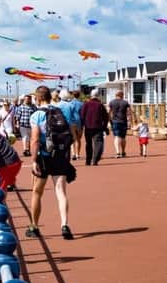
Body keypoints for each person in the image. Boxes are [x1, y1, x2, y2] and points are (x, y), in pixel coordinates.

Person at [27, 85, 75, 240]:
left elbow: (34, 139)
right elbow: (71, 133)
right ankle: (64, 225)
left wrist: (33, 160)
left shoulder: (37, 115)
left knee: (37, 192)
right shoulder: (59, 111)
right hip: (60, 156)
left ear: (38, 98)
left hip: (43, 156)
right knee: (61, 192)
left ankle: (34, 226)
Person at [80, 89, 109, 166]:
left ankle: (88, 160)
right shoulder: (100, 105)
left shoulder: (86, 104)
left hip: (88, 127)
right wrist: (105, 127)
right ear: (98, 96)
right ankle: (95, 159)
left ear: (91, 95)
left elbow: (82, 116)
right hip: (98, 127)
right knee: (98, 143)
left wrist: (82, 125)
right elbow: (105, 117)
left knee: (88, 144)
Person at [108, 90, 133, 158]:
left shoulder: (112, 102)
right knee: (123, 137)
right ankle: (123, 151)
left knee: (117, 136)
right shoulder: (125, 102)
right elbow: (129, 113)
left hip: (115, 121)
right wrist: (130, 122)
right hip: (123, 121)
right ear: (122, 95)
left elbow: (109, 112)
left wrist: (109, 121)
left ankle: (117, 152)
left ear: (116, 95)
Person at [69, 91, 84, 161]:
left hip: (72, 122)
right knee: (78, 139)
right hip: (79, 122)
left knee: (72, 139)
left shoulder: (70, 103)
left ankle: (73, 154)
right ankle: (78, 154)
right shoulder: (81, 104)